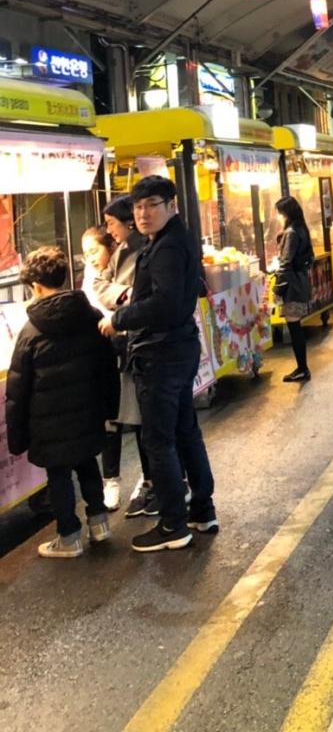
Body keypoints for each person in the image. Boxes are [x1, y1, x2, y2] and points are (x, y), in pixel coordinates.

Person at [101, 175, 217, 551]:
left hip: (162, 353)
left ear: (172, 206)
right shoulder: (171, 238)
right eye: (138, 207)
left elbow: (164, 303)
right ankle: (202, 510)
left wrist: (119, 318)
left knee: (159, 440)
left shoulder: (166, 247)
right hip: (178, 347)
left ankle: (172, 525)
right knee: (185, 432)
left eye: (152, 204)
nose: (143, 213)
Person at [6, 247, 119, 558]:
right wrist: (110, 408)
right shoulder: (91, 316)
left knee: (58, 476)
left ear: (36, 287)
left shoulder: (30, 331)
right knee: (87, 463)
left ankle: (68, 537)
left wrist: (17, 436)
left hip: (49, 422)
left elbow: (17, 388)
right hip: (88, 411)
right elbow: (108, 367)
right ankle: (99, 524)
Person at [95, 197, 152, 515]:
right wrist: (123, 293)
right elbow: (103, 286)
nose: (109, 230)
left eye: (111, 223)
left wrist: (122, 297)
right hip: (127, 345)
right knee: (123, 417)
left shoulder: (138, 249)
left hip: (137, 345)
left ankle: (153, 485)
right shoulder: (123, 250)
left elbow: (127, 296)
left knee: (139, 418)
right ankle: (141, 482)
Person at [275, 196, 317, 383]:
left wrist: (278, 287)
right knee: (295, 326)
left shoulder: (291, 232)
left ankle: (302, 368)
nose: (278, 216)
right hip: (299, 281)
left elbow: (286, 262)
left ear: (286, 213)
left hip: (292, 285)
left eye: (280, 213)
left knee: (294, 328)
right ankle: (302, 367)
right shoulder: (301, 229)